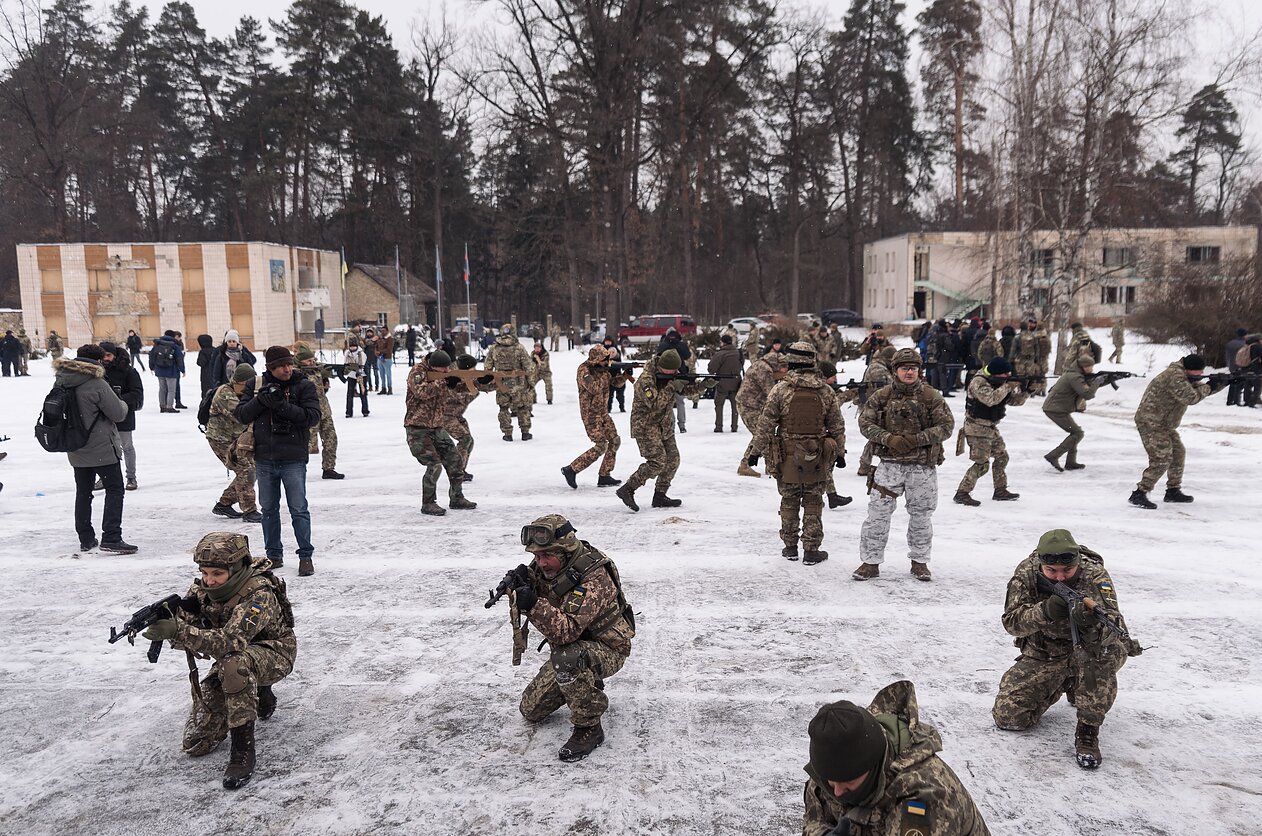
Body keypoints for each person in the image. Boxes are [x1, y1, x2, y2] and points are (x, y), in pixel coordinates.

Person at [143, 532, 297, 789]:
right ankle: (259, 691)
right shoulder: (201, 590)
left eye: (217, 574)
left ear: (235, 569)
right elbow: (194, 639)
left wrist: (178, 631)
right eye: (204, 573)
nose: (209, 581)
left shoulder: (258, 593)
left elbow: (230, 641)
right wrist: (175, 622)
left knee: (235, 665)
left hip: (274, 652)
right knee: (197, 741)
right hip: (234, 657)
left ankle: (242, 751)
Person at [993, 529, 1141, 769]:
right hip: (1046, 652)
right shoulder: (1027, 573)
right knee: (1009, 717)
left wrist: (1092, 627)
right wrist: (1046, 611)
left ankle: (1087, 730)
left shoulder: (1094, 574)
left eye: (1067, 571)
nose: (1060, 578)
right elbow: (1011, 623)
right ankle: (1065, 682)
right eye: (1051, 571)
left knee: (1100, 659)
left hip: (1088, 651)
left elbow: (1115, 625)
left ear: (1077, 564)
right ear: (1041, 564)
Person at [506, 514, 634, 762]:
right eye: (536, 557)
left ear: (564, 552)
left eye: (546, 557)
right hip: (577, 647)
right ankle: (584, 683)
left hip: (607, 649)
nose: (541, 563)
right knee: (530, 710)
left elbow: (566, 632)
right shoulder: (549, 567)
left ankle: (589, 728)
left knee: (567, 656)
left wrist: (532, 604)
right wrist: (523, 582)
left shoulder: (593, 577)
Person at [803, 681, 990, 836]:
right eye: (831, 782)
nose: (837, 792)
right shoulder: (830, 772)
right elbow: (814, 821)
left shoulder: (924, 793)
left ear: (872, 766)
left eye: (848, 782)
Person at [855, 348, 953, 582]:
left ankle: (919, 562)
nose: (909, 372)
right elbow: (865, 422)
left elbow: (946, 427)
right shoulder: (882, 396)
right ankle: (870, 562)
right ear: (895, 371)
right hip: (890, 466)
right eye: (904, 368)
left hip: (922, 468)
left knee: (921, 516)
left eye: (913, 368)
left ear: (919, 371)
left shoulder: (932, 396)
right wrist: (889, 439)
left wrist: (916, 439)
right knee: (877, 515)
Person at [748, 342, 846, 564]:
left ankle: (790, 547)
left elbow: (765, 424)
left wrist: (755, 451)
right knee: (813, 500)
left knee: (789, 500)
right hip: (817, 454)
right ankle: (811, 549)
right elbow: (837, 426)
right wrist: (839, 453)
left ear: (790, 362)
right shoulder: (825, 391)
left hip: (786, 455)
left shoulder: (780, 390)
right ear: (813, 361)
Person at [233, 346, 321, 575]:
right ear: (271, 368)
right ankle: (273, 554)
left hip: (293, 458)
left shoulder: (303, 385)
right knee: (269, 509)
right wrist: (261, 401)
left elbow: (311, 417)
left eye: (290, 364)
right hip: (265, 458)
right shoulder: (256, 385)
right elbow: (241, 415)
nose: (288, 369)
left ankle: (305, 556)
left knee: (298, 509)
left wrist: (282, 405)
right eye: (282, 366)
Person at [55, 345, 134, 552]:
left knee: (83, 492)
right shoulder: (97, 383)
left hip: (75, 445)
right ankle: (111, 537)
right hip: (101, 448)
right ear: (98, 361)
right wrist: (122, 402)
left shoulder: (63, 378)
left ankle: (86, 538)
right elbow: (118, 413)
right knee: (115, 489)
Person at [616, 349, 713, 511]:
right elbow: (655, 405)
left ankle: (660, 495)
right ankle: (627, 489)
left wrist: (703, 385)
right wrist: (671, 387)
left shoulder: (669, 376)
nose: (676, 372)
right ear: (662, 367)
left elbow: (683, 390)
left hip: (664, 425)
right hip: (646, 426)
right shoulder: (646, 381)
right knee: (657, 462)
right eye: (673, 370)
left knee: (673, 459)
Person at [1128, 354, 1224, 509]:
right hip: (1151, 421)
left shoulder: (1183, 374)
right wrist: (1211, 386)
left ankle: (1173, 490)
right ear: (1189, 369)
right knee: (1162, 458)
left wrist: (1222, 383)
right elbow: (1191, 397)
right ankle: (1139, 493)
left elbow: (1199, 389)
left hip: (1164, 423)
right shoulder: (1175, 376)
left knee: (1178, 452)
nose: (1200, 375)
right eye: (1198, 372)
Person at [404, 350, 477, 516]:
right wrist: (444, 382)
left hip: (437, 427)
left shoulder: (442, 374)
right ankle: (428, 503)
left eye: (447, 369)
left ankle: (457, 497)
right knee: (434, 464)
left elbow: (458, 388)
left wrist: (477, 381)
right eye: (442, 369)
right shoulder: (417, 372)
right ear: (433, 366)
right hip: (417, 428)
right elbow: (421, 392)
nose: (446, 371)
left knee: (455, 460)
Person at [953, 357, 1027, 506]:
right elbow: (991, 399)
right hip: (977, 429)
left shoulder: (999, 383)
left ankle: (1000, 490)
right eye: (1005, 375)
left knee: (1002, 457)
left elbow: (1013, 401)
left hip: (990, 428)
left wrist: (1027, 391)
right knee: (982, 464)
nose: (1007, 377)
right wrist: (1008, 386)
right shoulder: (978, 382)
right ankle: (962, 493)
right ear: (996, 373)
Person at [562, 346, 622, 490]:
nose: (606, 362)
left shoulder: (602, 371)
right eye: (604, 360)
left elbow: (614, 384)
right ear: (596, 359)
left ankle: (604, 475)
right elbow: (594, 388)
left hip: (603, 413)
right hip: (591, 415)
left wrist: (624, 376)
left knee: (615, 440)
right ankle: (571, 469)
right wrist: (604, 371)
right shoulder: (584, 371)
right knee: (601, 446)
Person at [207, 363, 261, 522]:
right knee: (246, 469)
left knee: (253, 469)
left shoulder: (247, 393)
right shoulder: (225, 394)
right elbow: (242, 415)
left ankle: (224, 503)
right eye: (244, 385)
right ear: (236, 382)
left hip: (237, 438)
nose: (246, 389)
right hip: (220, 439)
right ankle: (249, 510)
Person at [838, 345, 895, 478]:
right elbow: (883, 392)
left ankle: (865, 465)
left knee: (876, 437)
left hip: (874, 407)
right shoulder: (878, 370)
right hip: (874, 408)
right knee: (876, 436)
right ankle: (865, 465)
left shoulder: (879, 366)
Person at [1042, 354, 1102, 472]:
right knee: (1077, 433)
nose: (1092, 369)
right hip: (1055, 409)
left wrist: (1098, 382)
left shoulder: (1074, 374)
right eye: (1089, 366)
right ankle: (1053, 455)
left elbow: (1085, 388)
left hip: (1057, 408)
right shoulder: (1075, 377)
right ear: (1083, 366)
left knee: (1074, 432)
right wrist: (1096, 383)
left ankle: (1071, 462)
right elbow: (1087, 394)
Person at [100, 342, 144, 492]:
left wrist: (117, 400)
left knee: (126, 446)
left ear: (115, 355)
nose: (105, 358)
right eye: (102, 355)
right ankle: (105, 478)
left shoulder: (128, 371)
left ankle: (131, 476)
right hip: (103, 416)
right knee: (105, 448)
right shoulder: (97, 371)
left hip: (124, 415)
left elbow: (136, 393)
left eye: (108, 355)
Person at [735, 350, 786, 477]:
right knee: (762, 434)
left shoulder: (762, 364)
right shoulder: (765, 370)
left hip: (752, 404)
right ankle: (746, 465)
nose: (784, 369)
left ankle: (768, 466)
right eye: (783, 366)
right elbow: (771, 393)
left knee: (762, 434)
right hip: (749, 406)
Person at [295, 345, 342, 479]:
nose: (312, 363)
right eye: (308, 361)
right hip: (308, 413)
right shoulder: (297, 374)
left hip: (325, 411)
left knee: (331, 439)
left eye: (313, 360)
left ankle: (329, 468)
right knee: (306, 444)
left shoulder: (317, 370)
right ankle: (297, 469)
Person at [485, 325, 535, 440]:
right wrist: (531, 383)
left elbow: (487, 367)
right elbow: (529, 367)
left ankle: (507, 433)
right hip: (518, 382)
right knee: (522, 407)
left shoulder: (494, 348)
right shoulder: (519, 348)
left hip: (501, 382)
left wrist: (487, 384)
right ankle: (525, 432)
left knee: (503, 408)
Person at [708, 334, 743, 432]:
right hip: (736, 381)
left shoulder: (720, 354)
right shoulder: (738, 353)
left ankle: (719, 426)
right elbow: (741, 365)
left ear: (723, 342)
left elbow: (711, 368)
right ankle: (734, 426)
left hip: (722, 382)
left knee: (719, 405)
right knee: (735, 405)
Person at [151, 330, 185, 412]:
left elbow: (152, 356)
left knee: (162, 389)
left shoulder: (157, 344)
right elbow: (179, 359)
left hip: (159, 370)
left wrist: (152, 367)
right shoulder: (174, 345)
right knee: (171, 390)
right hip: (171, 371)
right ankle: (169, 406)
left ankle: (162, 406)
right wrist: (182, 370)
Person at [343, 337, 370, 418]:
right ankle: (349, 412)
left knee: (363, 393)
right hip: (351, 374)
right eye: (351, 346)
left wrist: (359, 371)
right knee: (349, 394)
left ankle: (365, 411)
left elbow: (362, 364)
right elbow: (346, 362)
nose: (352, 348)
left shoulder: (361, 353)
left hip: (361, 374)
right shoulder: (347, 352)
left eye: (354, 346)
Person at [603, 337, 628, 413]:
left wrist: (614, 355)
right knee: (609, 395)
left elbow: (619, 360)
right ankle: (608, 409)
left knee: (620, 395)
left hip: (617, 376)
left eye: (609, 342)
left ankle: (622, 407)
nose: (607, 343)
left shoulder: (616, 350)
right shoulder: (601, 350)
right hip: (607, 377)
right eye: (606, 342)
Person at [1224, 328, 1248, 406]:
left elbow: (1227, 355)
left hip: (1232, 366)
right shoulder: (1245, 344)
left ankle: (1229, 400)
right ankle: (1237, 401)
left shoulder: (1230, 343)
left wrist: (1229, 364)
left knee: (1232, 382)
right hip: (1241, 366)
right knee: (1240, 383)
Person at [375, 329, 395, 395]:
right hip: (380, 358)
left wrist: (380, 352)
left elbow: (389, 349)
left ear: (387, 331)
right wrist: (376, 352)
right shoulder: (380, 338)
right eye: (381, 331)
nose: (382, 332)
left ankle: (390, 388)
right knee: (381, 374)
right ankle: (383, 388)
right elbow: (376, 346)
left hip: (387, 358)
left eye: (383, 331)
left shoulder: (390, 339)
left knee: (388, 374)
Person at [362, 328, 379, 393]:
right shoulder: (365, 340)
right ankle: (370, 386)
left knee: (376, 373)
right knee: (368, 374)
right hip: (367, 358)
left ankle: (377, 386)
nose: (369, 333)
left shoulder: (376, 340)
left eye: (370, 332)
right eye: (368, 332)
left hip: (375, 358)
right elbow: (364, 345)